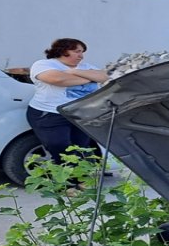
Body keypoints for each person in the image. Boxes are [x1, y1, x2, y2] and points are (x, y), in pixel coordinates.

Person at [27, 38, 110, 166]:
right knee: (59, 145)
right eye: (77, 51)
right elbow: (58, 79)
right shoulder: (44, 65)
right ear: (64, 50)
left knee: (80, 147)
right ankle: (65, 179)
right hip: (50, 114)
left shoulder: (85, 67)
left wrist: (74, 71)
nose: (81, 56)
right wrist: (89, 78)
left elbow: (103, 77)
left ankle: (79, 179)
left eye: (82, 52)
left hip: (79, 114)